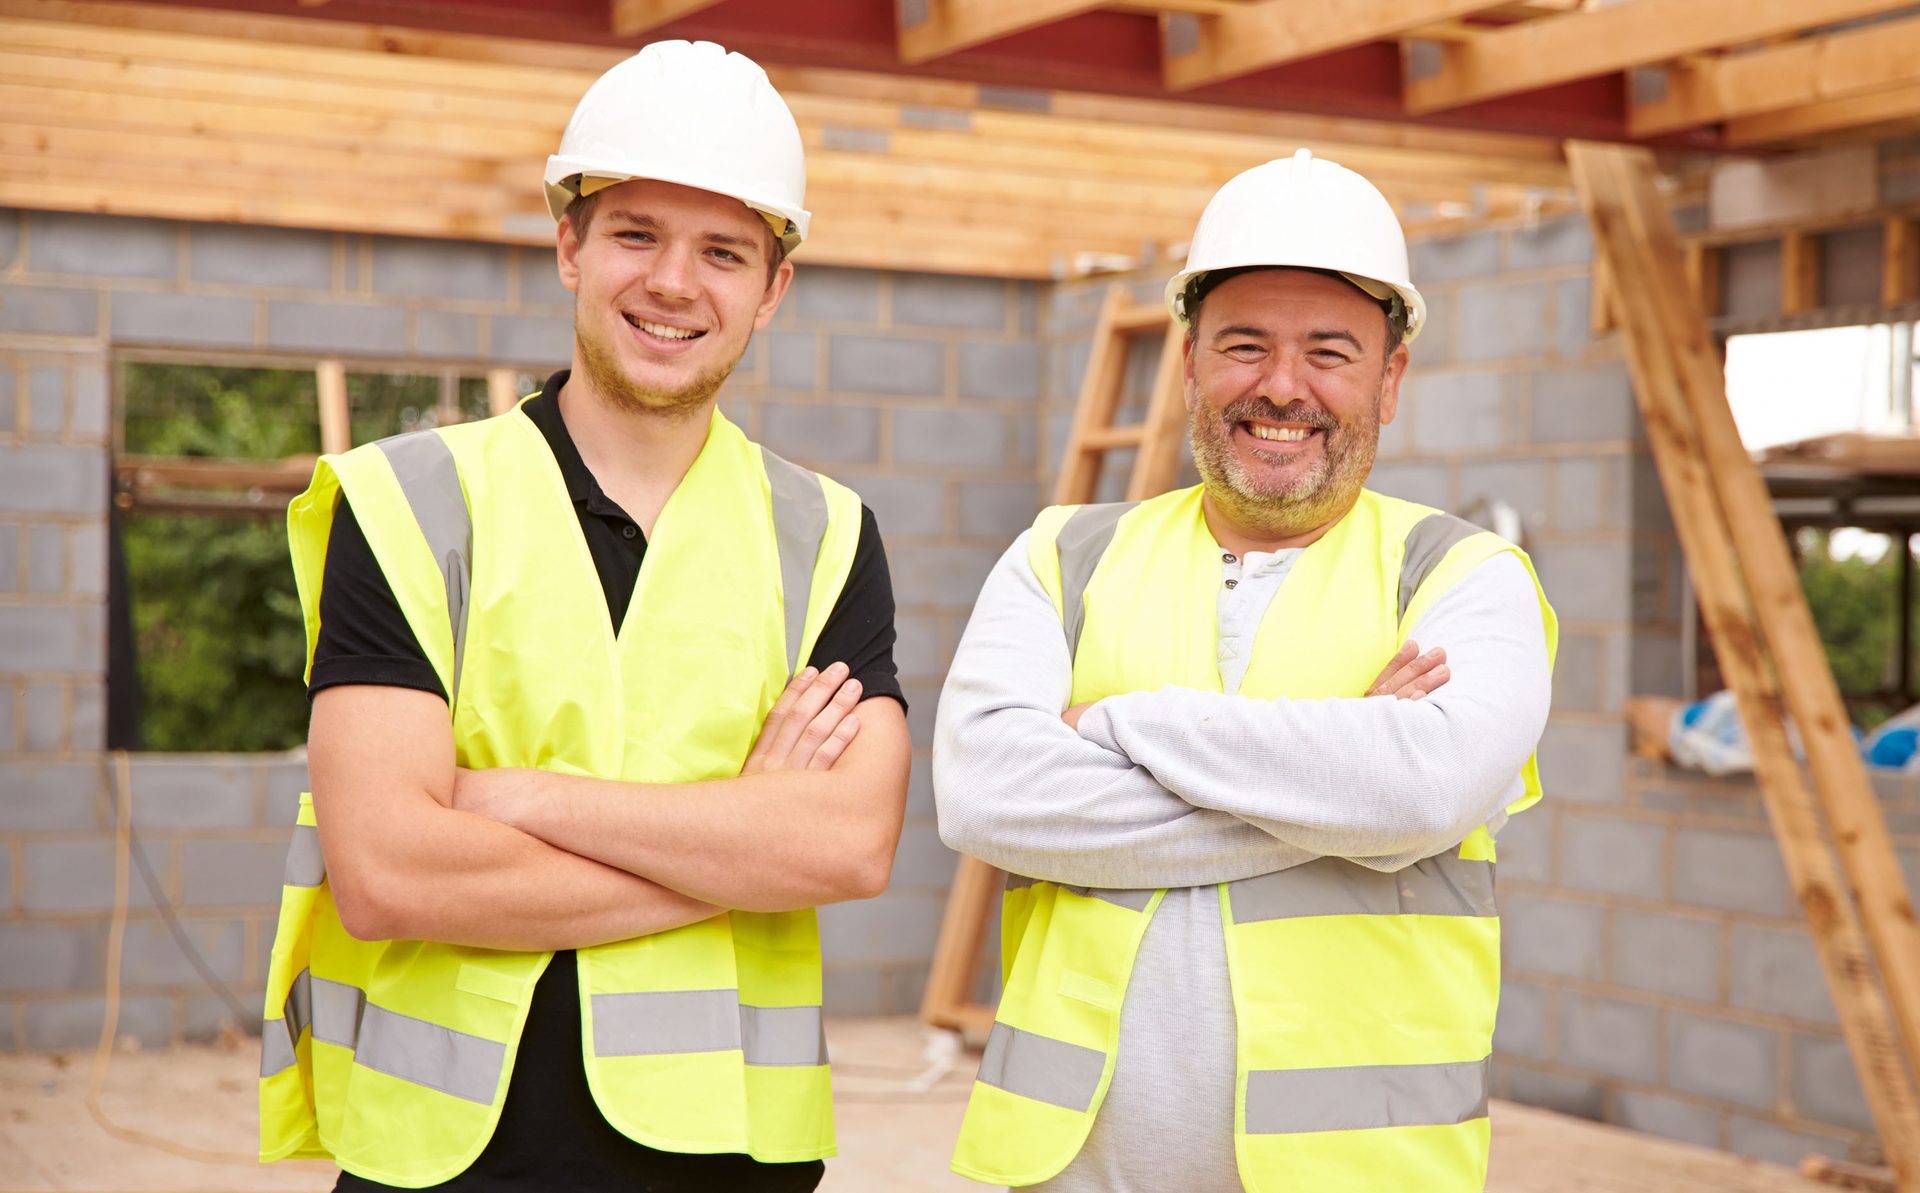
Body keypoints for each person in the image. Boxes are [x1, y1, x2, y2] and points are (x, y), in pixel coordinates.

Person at [258, 40, 911, 1193]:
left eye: (723, 251)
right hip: (450, 1157)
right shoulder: (410, 503)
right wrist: (745, 836)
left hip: (734, 1156)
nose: (673, 282)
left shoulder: (826, 534)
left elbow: (848, 845)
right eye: (634, 234)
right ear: (570, 245)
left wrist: (529, 800)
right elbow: (389, 870)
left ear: (773, 287)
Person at [933, 148, 1558, 1192]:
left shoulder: (1462, 576)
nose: (1281, 386)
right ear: (1188, 362)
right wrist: (1342, 778)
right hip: (1074, 1172)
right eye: (1244, 345)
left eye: (1329, 351)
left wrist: (1115, 722)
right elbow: (986, 794)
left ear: (1389, 378)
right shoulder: (1061, 554)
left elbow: (1424, 785)